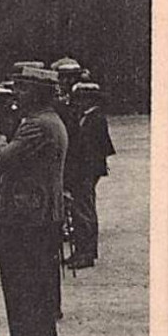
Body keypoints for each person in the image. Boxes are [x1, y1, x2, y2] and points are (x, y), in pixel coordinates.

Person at [0, 65, 68, 336]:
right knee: (40, 277)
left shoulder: (35, 125)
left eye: (22, 88)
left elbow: (3, 159)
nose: (16, 94)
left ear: (36, 92)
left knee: (19, 278)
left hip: (25, 213)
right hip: (43, 212)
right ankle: (42, 335)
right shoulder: (52, 120)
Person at [64, 81, 115, 270]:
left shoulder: (95, 119)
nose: (77, 102)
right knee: (81, 210)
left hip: (85, 171)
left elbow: (91, 150)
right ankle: (82, 251)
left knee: (83, 211)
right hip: (85, 171)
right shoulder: (88, 116)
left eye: (80, 98)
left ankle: (86, 253)